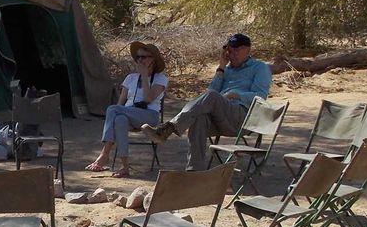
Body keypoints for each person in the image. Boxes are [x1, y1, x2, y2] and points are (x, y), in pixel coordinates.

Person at [140, 32, 271, 170]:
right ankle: (194, 170)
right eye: (230, 50)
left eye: (237, 50)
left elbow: (261, 96)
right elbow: (211, 90)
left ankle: (168, 129)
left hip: (242, 117)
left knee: (212, 96)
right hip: (221, 116)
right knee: (199, 118)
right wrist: (221, 67)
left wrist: (235, 94)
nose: (233, 54)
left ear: (247, 50)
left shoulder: (259, 67)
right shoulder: (226, 69)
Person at [86, 41, 169, 177]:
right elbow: (120, 104)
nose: (140, 60)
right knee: (119, 119)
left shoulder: (161, 79)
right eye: (138, 57)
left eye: (144, 57)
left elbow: (148, 98)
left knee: (113, 109)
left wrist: (144, 76)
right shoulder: (130, 78)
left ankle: (105, 153)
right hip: (129, 113)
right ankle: (125, 166)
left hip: (149, 115)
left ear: (153, 59)